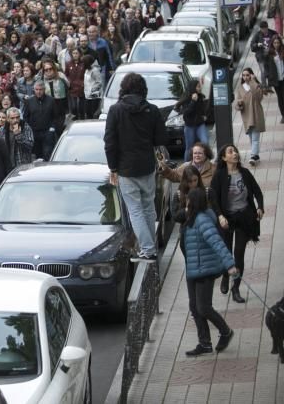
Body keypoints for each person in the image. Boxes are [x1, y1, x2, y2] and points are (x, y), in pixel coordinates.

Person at [103, 71, 167, 261]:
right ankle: (150, 246)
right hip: (147, 165)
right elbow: (161, 138)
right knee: (148, 206)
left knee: (135, 210)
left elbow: (110, 142)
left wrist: (113, 168)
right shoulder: (152, 110)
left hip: (126, 168)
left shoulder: (115, 111)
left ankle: (148, 249)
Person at [181, 187, 238, 356]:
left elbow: (217, 243)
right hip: (193, 270)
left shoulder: (202, 220)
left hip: (205, 270)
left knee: (203, 307)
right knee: (194, 307)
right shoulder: (191, 218)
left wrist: (230, 264)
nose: (186, 202)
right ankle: (204, 344)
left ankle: (225, 331)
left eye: (188, 200)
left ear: (194, 202)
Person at [209, 144, 264, 304]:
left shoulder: (245, 173)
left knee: (239, 253)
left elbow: (257, 192)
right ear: (224, 158)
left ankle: (236, 288)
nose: (235, 154)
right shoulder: (219, 176)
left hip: (244, 218)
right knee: (226, 252)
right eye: (230, 152)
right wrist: (219, 216)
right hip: (227, 219)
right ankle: (225, 275)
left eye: (235, 151)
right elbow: (213, 198)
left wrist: (260, 207)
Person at [235, 67, 266, 165]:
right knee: (251, 138)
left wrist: (253, 81)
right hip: (247, 116)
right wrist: (239, 103)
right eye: (243, 75)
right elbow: (236, 104)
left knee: (255, 138)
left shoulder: (256, 85)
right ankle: (256, 156)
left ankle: (253, 155)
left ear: (251, 75)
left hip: (256, 114)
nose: (245, 77)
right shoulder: (240, 87)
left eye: (247, 75)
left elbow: (258, 97)